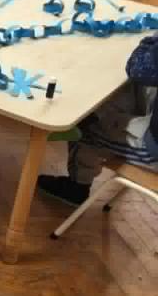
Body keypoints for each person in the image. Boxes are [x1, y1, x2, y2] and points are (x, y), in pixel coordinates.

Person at [39, 33, 158, 205]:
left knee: (81, 126)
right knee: (130, 88)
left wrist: (150, 41)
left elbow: (138, 67)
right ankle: (109, 118)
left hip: (153, 151)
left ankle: (76, 187)